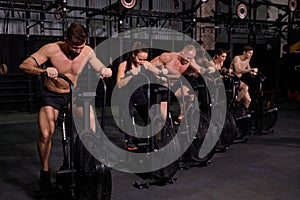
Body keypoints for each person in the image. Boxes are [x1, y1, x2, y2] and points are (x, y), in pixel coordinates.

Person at [19, 22, 112, 191]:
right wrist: (43, 71)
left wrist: (105, 70)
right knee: (46, 134)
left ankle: (85, 164)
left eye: (81, 47)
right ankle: (45, 170)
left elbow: (99, 66)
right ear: (66, 40)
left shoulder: (87, 51)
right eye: (74, 46)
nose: (77, 51)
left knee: (90, 126)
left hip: (74, 95)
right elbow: (24, 65)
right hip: (52, 95)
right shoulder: (51, 49)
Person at [116, 41, 167, 151]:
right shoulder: (124, 65)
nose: (142, 62)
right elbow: (119, 85)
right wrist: (130, 75)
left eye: (144, 59)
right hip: (126, 95)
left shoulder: (146, 64)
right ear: (133, 55)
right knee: (128, 116)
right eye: (140, 59)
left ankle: (145, 139)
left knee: (150, 116)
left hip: (139, 94)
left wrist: (163, 75)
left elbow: (158, 72)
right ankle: (130, 141)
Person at [151, 44, 214, 123]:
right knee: (163, 116)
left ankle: (181, 120)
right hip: (162, 85)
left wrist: (209, 70)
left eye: (190, 59)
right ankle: (158, 134)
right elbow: (150, 66)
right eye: (187, 58)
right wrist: (159, 75)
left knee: (190, 96)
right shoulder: (168, 57)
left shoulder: (190, 61)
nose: (188, 61)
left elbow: (198, 69)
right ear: (182, 53)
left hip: (175, 84)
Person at [231, 45, 258, 112]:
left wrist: (251, 72)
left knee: (248, 100)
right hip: (232, 80)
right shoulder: (237, 58)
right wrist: (250, 70)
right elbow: (237, 70)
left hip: (238, 80)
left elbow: (248, 67)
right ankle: (235, 103)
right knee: (245, 87)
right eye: (249, 53)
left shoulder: (248, 58)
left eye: (252, 53)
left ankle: (242, 115)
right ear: (244, 52)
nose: (250, 55)